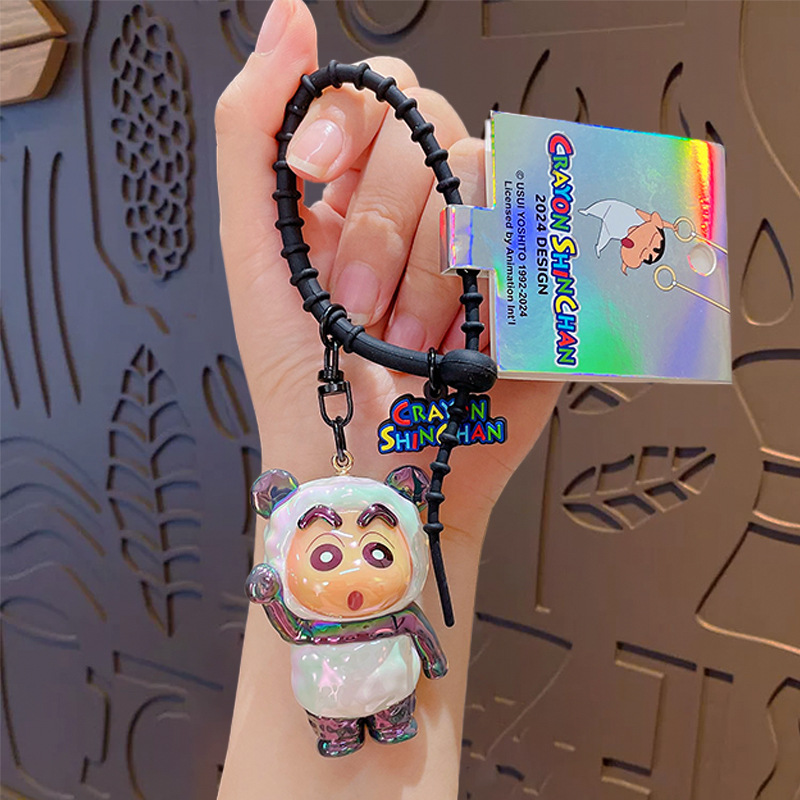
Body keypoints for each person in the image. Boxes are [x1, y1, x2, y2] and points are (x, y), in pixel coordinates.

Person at [214, 0, 559, 796]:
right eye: (328, 556)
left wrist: (442, 517)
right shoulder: (323, 593)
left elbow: (416, 631)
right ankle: (345, 729)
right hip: (326, 686)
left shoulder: (398, 568)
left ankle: (385, 720)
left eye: (371, 553)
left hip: (387, 664)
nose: (353, 574)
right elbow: (298, 617)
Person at [579, 199, 674, 274]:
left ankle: (598, 247)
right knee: (602, 210)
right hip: (613, 211)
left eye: (644, 255)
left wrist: (625, 265)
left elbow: (630, 256)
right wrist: (671, 226)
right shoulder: (639, 218)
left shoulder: (628, 241)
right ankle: (588, 211)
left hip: (613, 230)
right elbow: (655, 221)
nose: (645, 249)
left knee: (604, 237)